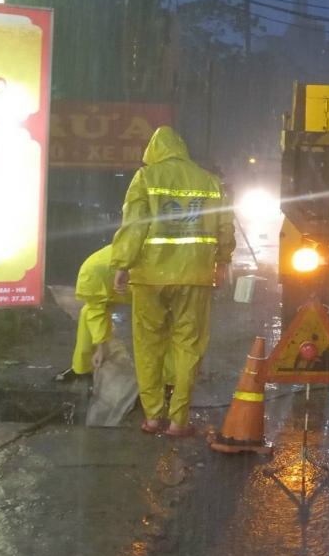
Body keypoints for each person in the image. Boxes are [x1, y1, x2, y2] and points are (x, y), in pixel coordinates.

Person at [111, 126, 235, 436]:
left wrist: (122, 264)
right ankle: (179, 420)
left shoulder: (146, 178)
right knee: (188, 346)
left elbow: (134, 225)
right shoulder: (209, 181)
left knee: (148, 345)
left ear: (153, 151)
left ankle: (153, 417)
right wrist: (222, 262)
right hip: (195, 275)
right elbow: (225, 227)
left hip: (150, 277)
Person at [55, 245, 129, 381]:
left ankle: (163, 378)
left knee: (153, 324)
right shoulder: (94, 275)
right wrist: (101, 348)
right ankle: (83, 368)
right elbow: (97, 313)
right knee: (89, 313)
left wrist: (101, 348)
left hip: (129, 277)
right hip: (109, 275)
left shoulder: (94, 271)